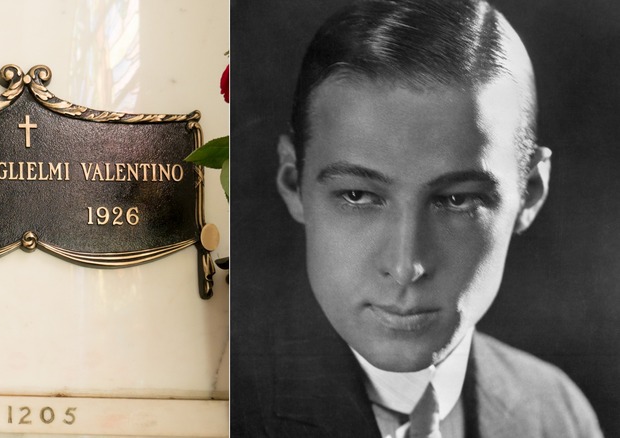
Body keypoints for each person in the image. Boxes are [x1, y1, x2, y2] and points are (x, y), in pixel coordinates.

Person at [231, 0, 603, 436]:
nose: (407, 266)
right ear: (294, 183)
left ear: (530, 193)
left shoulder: (557, 414)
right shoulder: (218, 409)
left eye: (458, 200)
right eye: (357, 195)